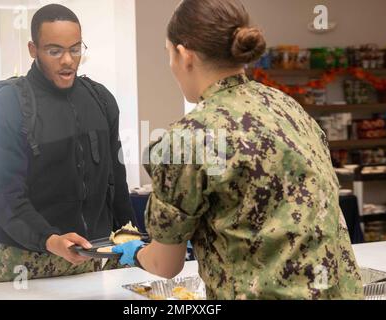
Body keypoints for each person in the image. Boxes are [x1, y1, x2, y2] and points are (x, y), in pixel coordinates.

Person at [112, 0, 364, 300]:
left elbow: (165, 265)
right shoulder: (287, 108)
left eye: (168, 54)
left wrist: (134, 252)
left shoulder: (186, 139)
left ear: (183, 54)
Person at [0, 4, 136, 284]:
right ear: (32, 49)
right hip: (24, 263)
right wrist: (50, 240)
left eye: (75, 49)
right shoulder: (6, 106)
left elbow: (116, 181)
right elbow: (2, 194)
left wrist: (129, 238)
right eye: (54, 51)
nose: (67, 60)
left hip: (93, 257)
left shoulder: (101, 100)